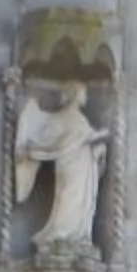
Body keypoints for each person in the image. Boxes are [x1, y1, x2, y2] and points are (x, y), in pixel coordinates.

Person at [13, 80, 106, 250]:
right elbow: (48, 139)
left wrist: (97, 149)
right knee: (67, 198)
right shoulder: (63, 117)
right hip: (69, 167)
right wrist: (28, 148)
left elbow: (85, 139)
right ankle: (59, 235)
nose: (85, 95)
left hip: (83, 168)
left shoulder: (80, 119)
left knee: (79, 202)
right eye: (82, 92)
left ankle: (77, 236)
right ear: (74, 95)